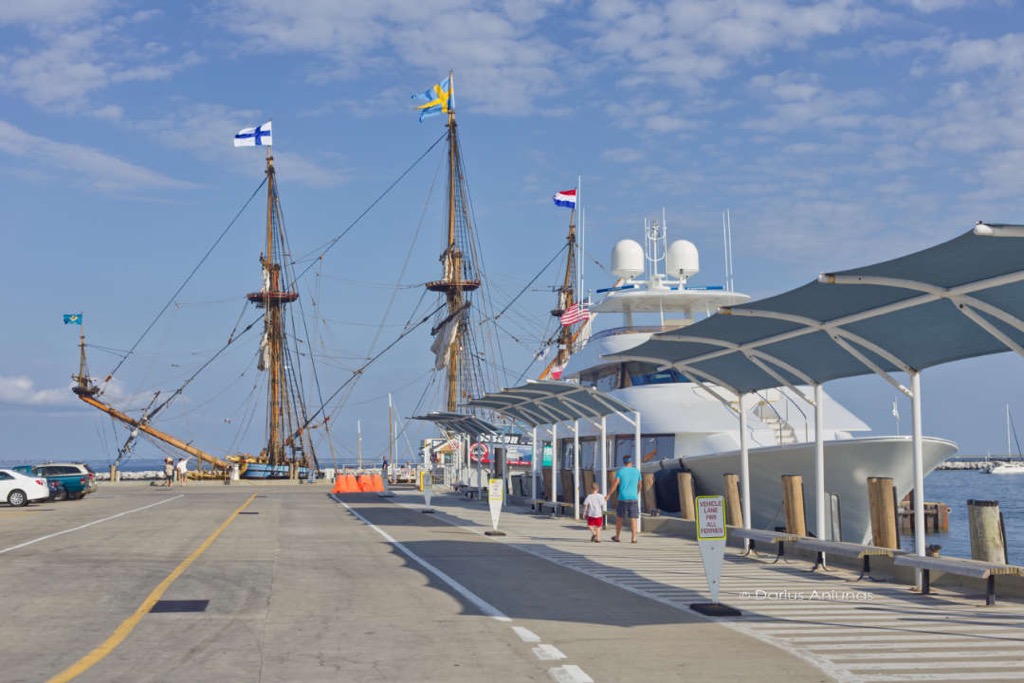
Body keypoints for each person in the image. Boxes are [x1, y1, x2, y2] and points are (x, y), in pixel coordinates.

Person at [607, 454, 641, 543]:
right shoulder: (637, 471)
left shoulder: (620, 471)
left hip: (622, 497)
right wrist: (637, 493)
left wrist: (609, 494)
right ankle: (633, 538)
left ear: (624, 462)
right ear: (631, 461)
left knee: (619, 517)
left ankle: (617, 536)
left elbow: (615, 484)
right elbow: (640, 484)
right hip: (633, 497)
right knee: (633, 518)